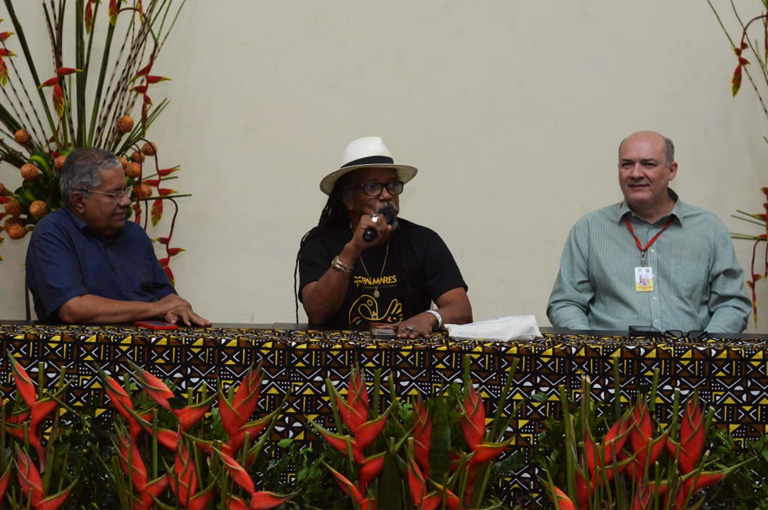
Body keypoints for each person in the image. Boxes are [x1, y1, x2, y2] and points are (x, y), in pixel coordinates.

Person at [547, 131, 751, 333]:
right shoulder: (590, 229)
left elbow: (731, 304)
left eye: (648, 164)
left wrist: (704, 350)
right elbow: (565, 303)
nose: (636, 174)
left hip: (689, 361)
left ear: (671, 170)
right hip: (612, 362)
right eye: (627, 164)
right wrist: (592, 348)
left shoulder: (708, 229)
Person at [297, 136, 472, 338]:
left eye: (393, 186)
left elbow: (462, 311)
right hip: (341, 361)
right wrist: (353, 250)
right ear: (348, 200)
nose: (387, 195)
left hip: (407, 361)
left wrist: (430, 317)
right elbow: (318, 314)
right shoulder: (320, 243)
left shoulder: (424, 241)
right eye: (372, 187)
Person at [25, 148, 210, 326]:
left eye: (125, 191)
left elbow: (167, 298)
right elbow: (72, 309)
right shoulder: (52, 233)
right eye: (113, 194)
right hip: (85, 352)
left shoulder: (135, 235)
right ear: (79, 201)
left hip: (149, 349)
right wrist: (156, 309)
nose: (126, 201)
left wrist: (177, 307)